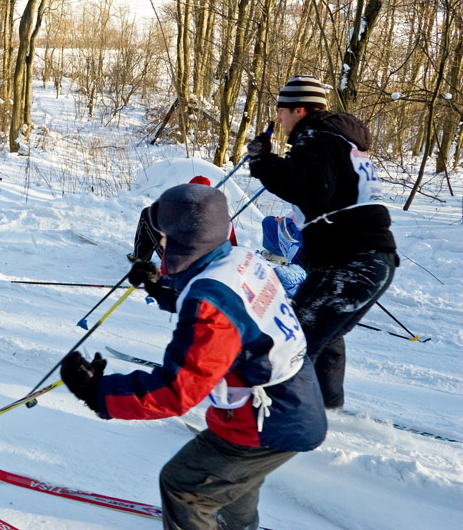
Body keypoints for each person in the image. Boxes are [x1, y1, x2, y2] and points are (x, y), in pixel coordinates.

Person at [61, 183, 327, 530]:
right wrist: (161, 287)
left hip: (267, 418)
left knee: (184, 486)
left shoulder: (208, 307)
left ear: (186, 240)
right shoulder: (242, 258)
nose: (162, 245)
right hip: (292, 403)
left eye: (165, 237)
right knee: (231, 482)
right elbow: (227, 299)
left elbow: (176, 390)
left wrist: (96, 392)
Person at [246, 75, 397, 409]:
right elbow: (321, 185)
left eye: (281, 111)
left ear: (299, 110)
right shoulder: (337, 139)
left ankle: (268, 420)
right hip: (375, 261)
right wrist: (274, 163)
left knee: (293, 339)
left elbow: (313, 191)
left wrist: (263, 162)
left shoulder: (314, 137)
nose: (279, 120)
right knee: (326, 337)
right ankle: (328, 409)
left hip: (352, 260)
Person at [128, 175, 237, 266]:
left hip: (183, 268)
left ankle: (140, 259)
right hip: (214, 268)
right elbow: (233, 248)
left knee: (147, 214)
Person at [259, 215, 306, 297]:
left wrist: (285, 224)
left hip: (311, 270)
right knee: (269, 223)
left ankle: (301, 292)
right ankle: (281, 257)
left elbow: (300, 238)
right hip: (300, 251)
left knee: (278, 276)